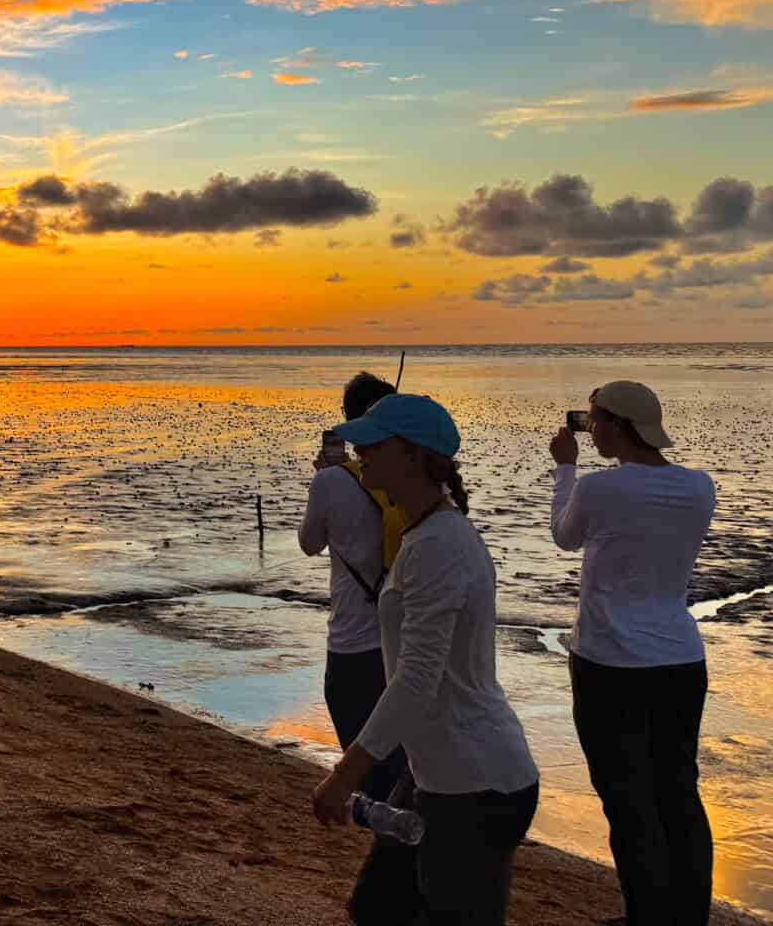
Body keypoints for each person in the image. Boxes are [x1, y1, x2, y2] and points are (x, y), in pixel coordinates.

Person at [311, 393, 539, 926]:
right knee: (377, 906)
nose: (360, 451)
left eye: (374, 443)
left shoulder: (441, 544)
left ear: (413, 456)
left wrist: (344, 776)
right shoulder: (424, 533)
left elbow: (416, 681)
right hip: (435, 772)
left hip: (476, 784)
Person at [551, 381, 716, 926]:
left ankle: (648, 915)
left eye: (595, 418)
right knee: (677, 790)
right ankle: (687, 915)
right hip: (680, 657)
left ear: (619, 426)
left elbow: (564, 536)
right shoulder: (700, 487)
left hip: (610, 660)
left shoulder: (601, 489)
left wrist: (565, 470)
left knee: (627, 799)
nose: (589, 426)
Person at [298, 372, 413, 924]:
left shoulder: (334, 481)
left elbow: (309, 543)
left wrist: (326, 476)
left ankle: (386, 892)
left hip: (352, 644)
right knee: (402, 774)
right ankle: (397, 884)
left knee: (372, 779)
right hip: (405, 645)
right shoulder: (412, 481)